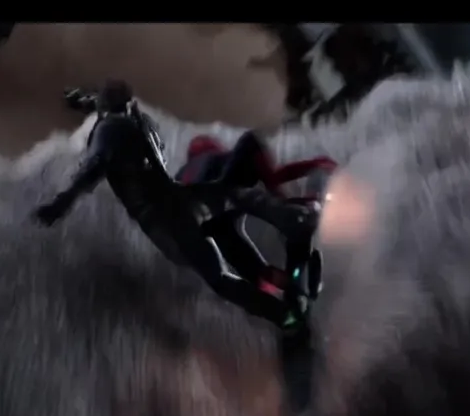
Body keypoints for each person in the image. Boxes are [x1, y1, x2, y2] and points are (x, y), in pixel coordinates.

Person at [34, 81, 315, 330]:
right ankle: (293, 235)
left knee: (223, 267)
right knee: (230, 208)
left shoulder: (116, 125)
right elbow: (97, 158)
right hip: (172, 211)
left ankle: (287, 306)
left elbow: (94, 161)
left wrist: (60, 203)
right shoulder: (124, 125)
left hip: (169, 211)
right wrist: (61, 202)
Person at [175, 131, 334, 328]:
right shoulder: (219, 158)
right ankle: (297, 286)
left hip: (204, 218)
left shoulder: (186, 172)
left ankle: (291, 301)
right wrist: (314, 165)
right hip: (224, 192)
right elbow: (273, 176)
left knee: (258, 274)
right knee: (256, 151)